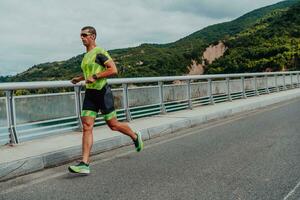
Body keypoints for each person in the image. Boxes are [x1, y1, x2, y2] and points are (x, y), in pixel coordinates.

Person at [68, 26, 143, 174]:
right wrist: (80, 78)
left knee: (113, 125)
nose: (82, 38)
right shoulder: (86, 56)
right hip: (90, 94)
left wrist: (95, 77)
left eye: (85, 35)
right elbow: (91, 72)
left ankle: (135, 136)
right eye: (81, 35)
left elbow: (113, 70)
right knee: (87, 125)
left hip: (102, 92)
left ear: (93, 36)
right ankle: (84, 163)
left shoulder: (99, 52)